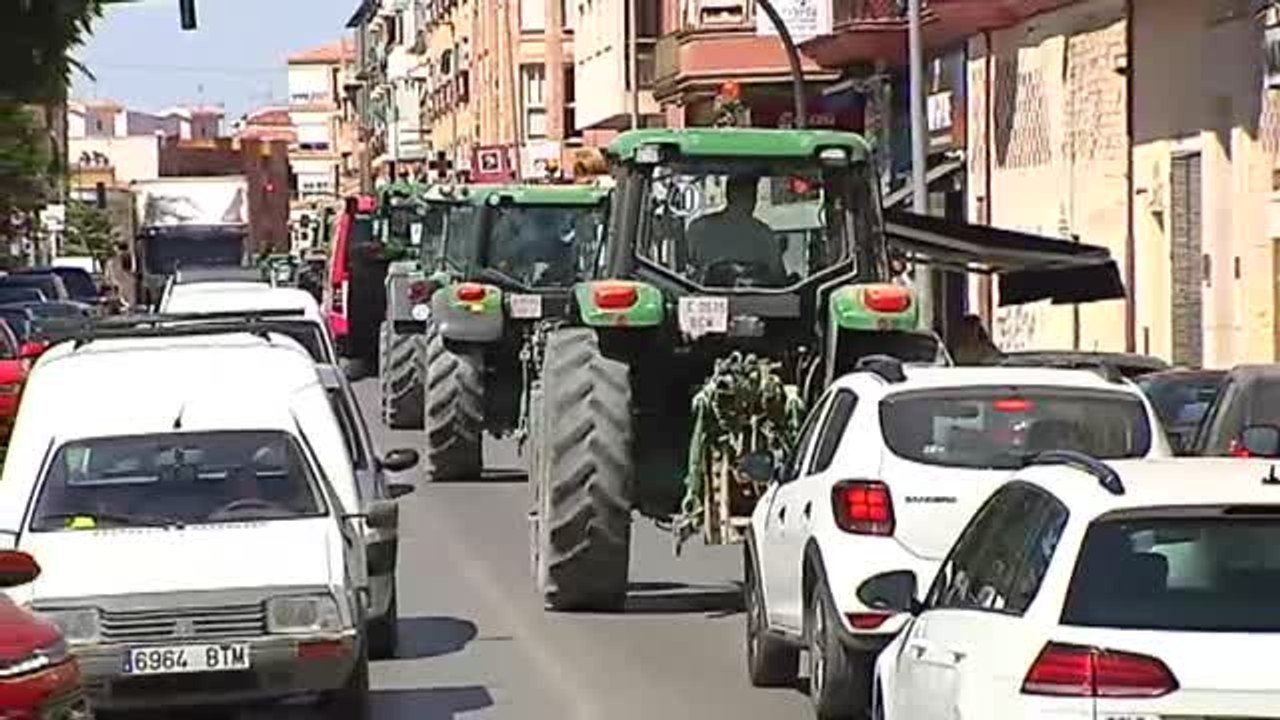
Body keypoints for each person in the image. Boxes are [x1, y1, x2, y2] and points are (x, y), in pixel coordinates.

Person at [686, 175, 785, 284]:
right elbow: (779, 280)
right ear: (752, 197)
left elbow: (685, 272)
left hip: (706, 299)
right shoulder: (765, 235)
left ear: (727, 195)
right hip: (755, 300)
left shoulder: (698, 228)